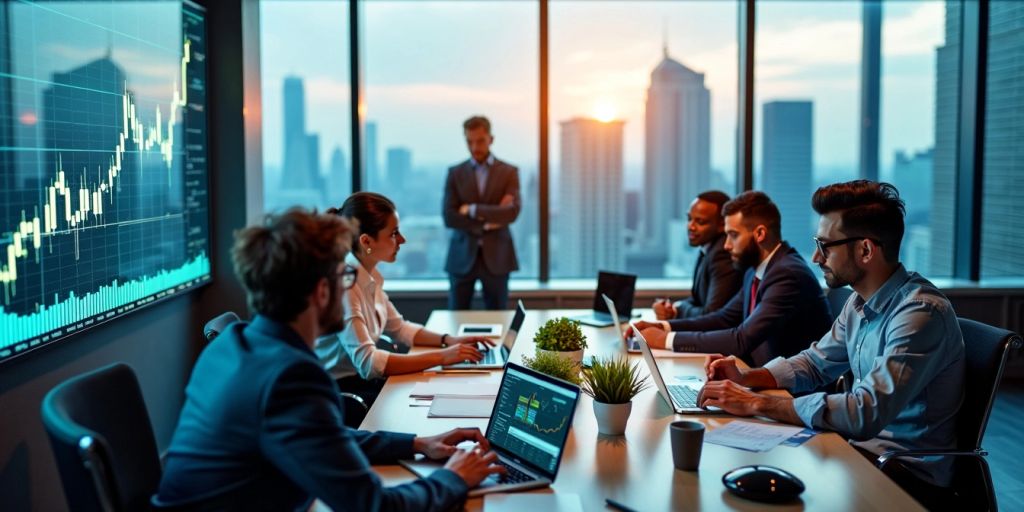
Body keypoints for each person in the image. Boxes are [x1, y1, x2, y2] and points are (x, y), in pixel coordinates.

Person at [153, 209, 504, 511]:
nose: (347, 284)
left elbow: (328, 437)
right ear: (322, 291)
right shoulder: (291, 376)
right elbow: (373, 505)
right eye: (344, 275)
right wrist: (453, 478)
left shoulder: (232, 344)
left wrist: (416, 444)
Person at [697, 181, 964, 510]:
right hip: (857, 450)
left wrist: (756, 404)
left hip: (903, 474)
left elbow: (865, 412)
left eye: (825, 246)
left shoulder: (919, 314)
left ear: (865, 250)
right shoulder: (858, 303)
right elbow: (814, 363)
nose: (815, 256)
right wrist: (747, 377)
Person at [317, 192, 494, 404]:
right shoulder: (345, 284)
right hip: (340, 394)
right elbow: (369, 363)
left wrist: (448, 340)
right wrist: (443, 356)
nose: (402, 240)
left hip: (360, 383)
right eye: (394, 233)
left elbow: (399, 328)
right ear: (366, 241)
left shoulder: (370, 276)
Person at [631, 191, 832, 367]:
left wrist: (665, 339)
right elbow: (724, 318)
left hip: (792, 394)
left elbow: (741, 339)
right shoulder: (755, 271)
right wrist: (663, 327)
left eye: (733, 235)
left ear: (760, 233)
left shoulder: (787, 274)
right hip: (755, 375)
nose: (726, 245)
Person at [443, 115, 521, 310]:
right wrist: (489, 220)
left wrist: (471, 209)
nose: (474, 147)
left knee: (499, 317)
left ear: (491, 139)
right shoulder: (455, 173)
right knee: (456, 316)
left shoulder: (509, 172)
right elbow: (449, 216)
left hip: (497, 257)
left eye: (480, 141)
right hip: (461, 256)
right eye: (469, 142)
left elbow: (512, 213)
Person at [652, 190, 743, 321]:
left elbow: (711, 314)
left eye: (700, 222)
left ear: (722, 225)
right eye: (689, 219)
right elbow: (698, 299)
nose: (690, 226)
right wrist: (675, 308)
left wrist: (677, 310)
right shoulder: (707, 248)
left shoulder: (722, 253)